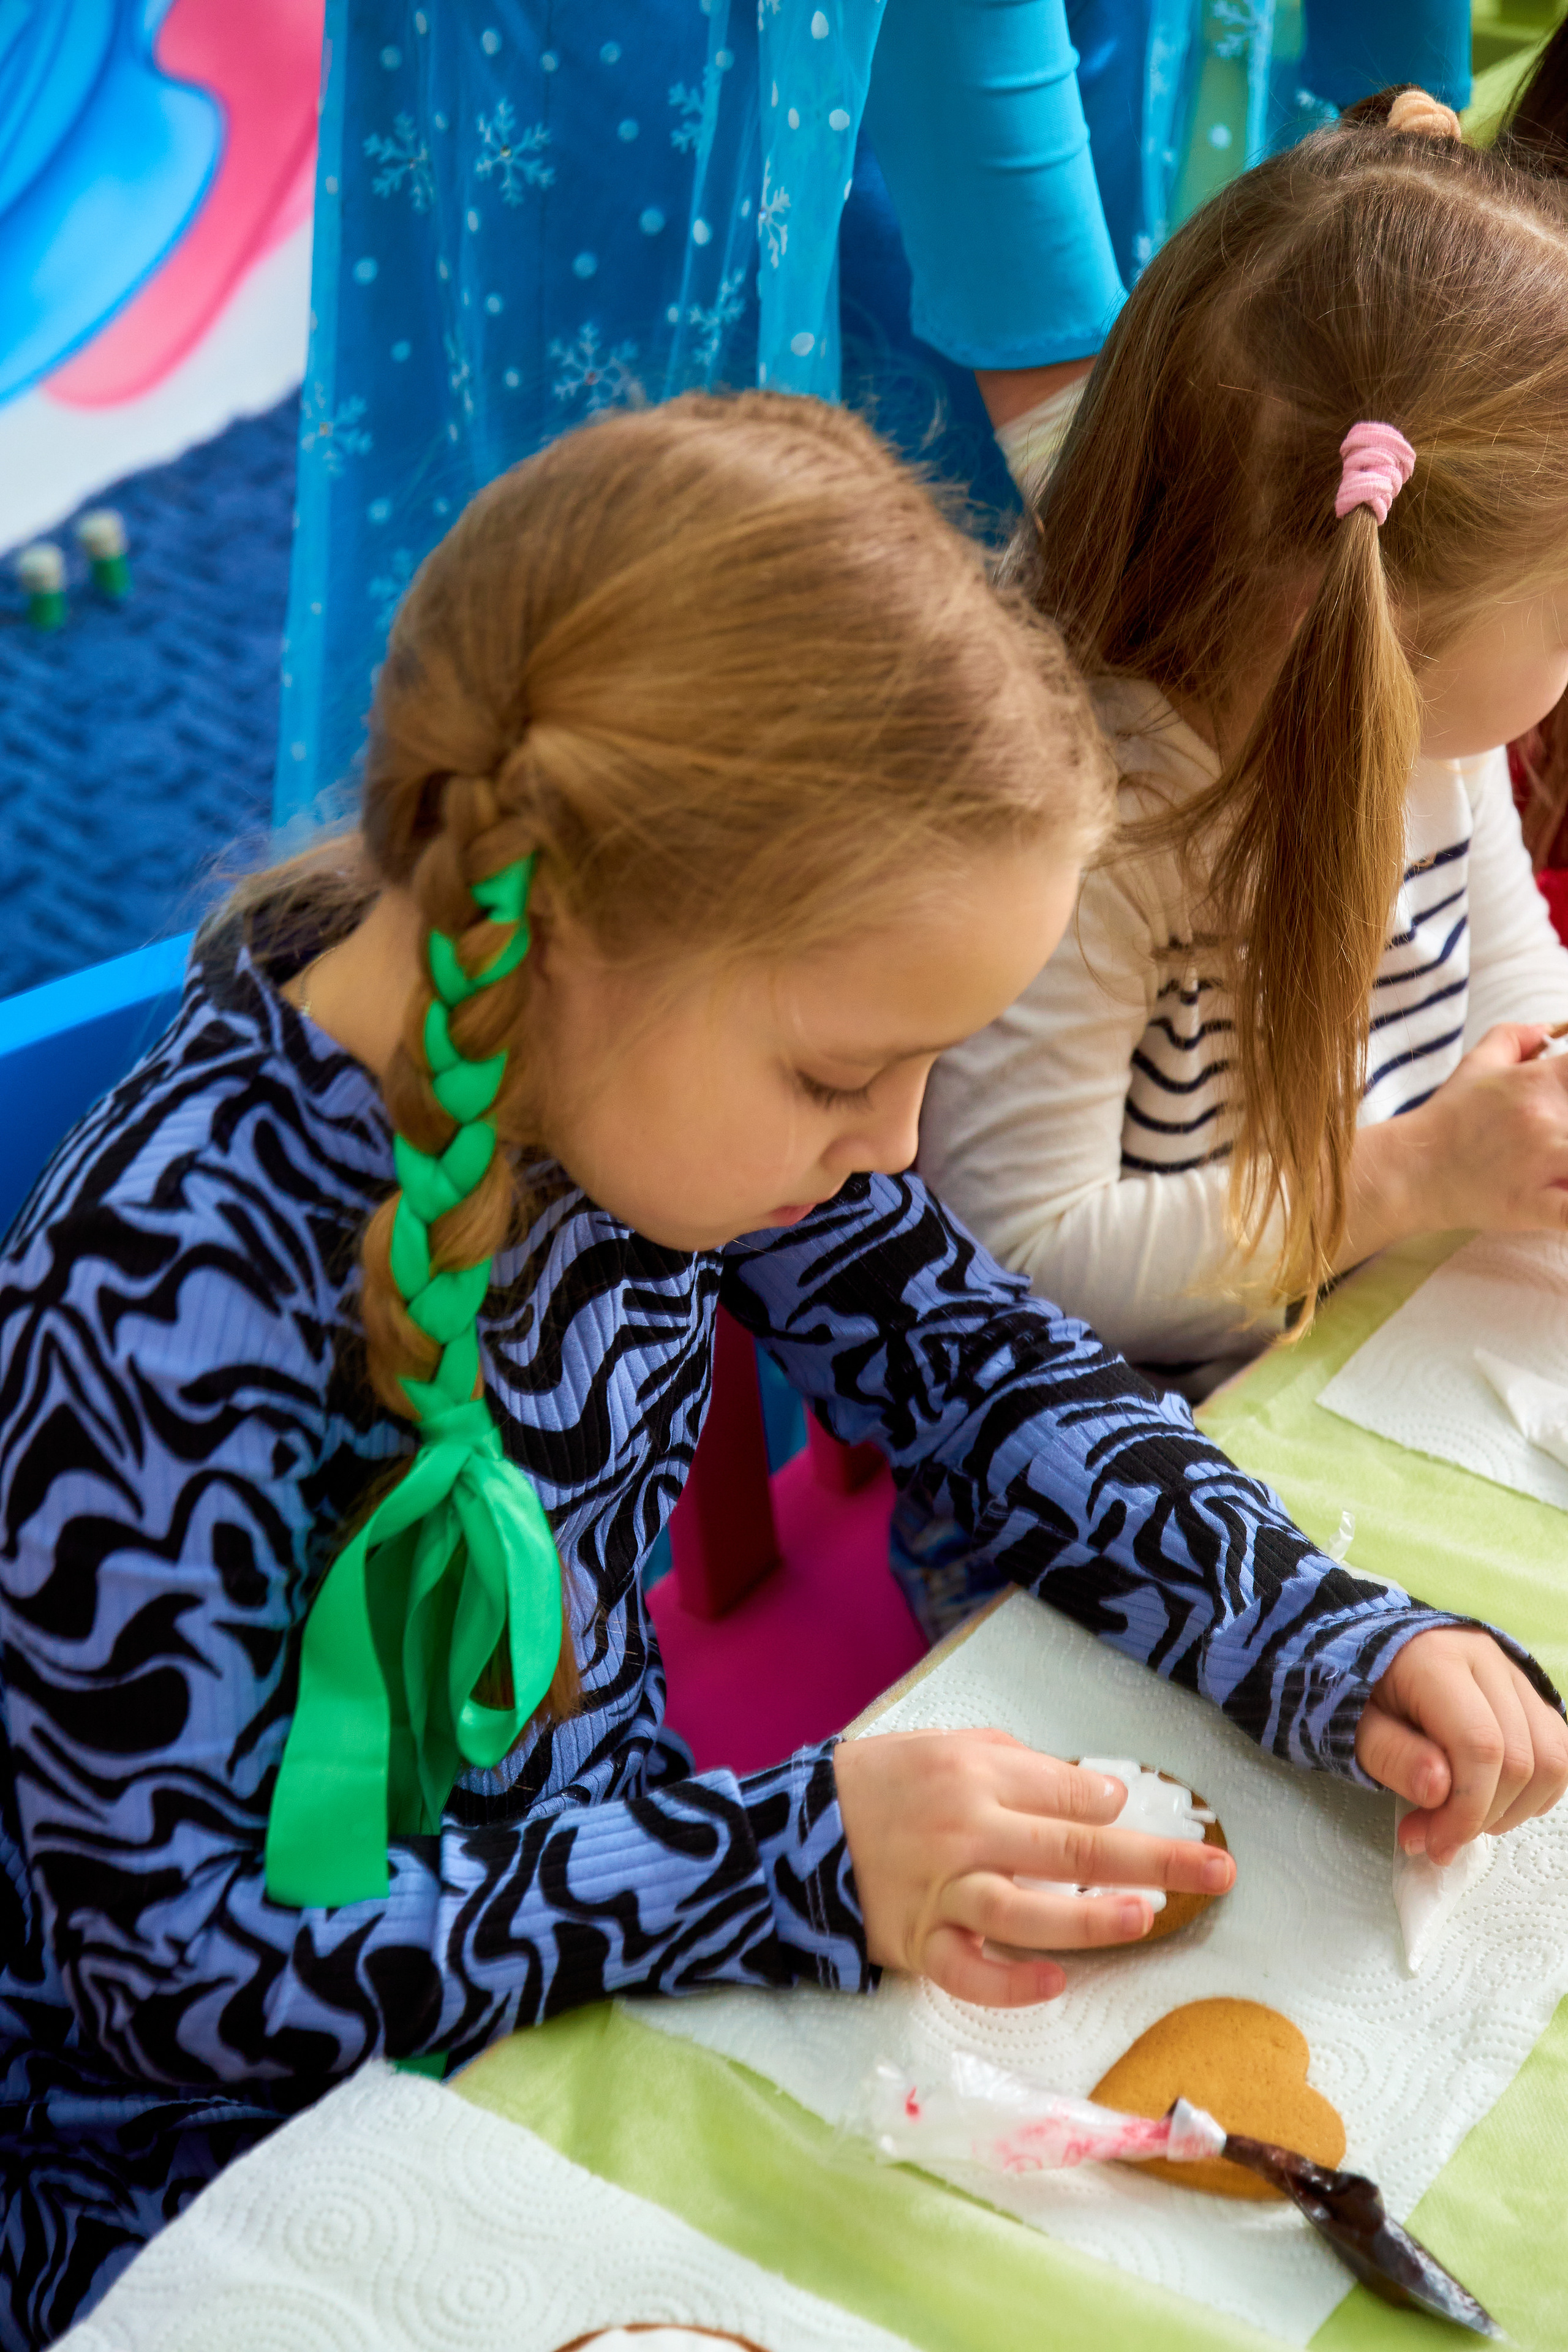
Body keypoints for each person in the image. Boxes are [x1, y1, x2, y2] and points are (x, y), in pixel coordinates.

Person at [2, 395, 1562, 2346]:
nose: (898, 1147)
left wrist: (1316, 1630)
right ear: (566, 938)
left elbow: (981, 1369)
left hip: (603, 1964)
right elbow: (181, 1978)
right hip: (204, 2196)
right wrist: (794, 1857)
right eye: (841, 1074)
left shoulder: (629, 1086)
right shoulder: (156, 1308)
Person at [920, 91, 1568, 1401]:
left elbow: (1517, 1001)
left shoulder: (1431, 740)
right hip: (1138, 1436)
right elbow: (1021, 1255)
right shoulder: (1099, 826)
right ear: (1375, 614)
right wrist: (1412, 1175)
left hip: (1361, 1342)